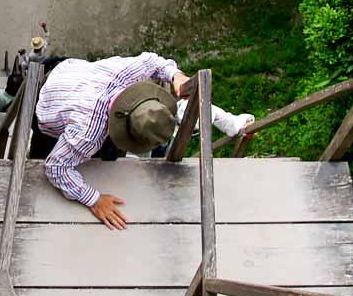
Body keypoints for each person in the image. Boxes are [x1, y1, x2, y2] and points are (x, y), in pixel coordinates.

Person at [30, 52, 253, 230]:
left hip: (65, 70)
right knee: (36, 165)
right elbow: (56, 167)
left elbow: (153, 61)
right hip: (44, 103)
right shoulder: (87, 135)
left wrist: (176, 75)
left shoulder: (125, 74)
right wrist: (94, 199)